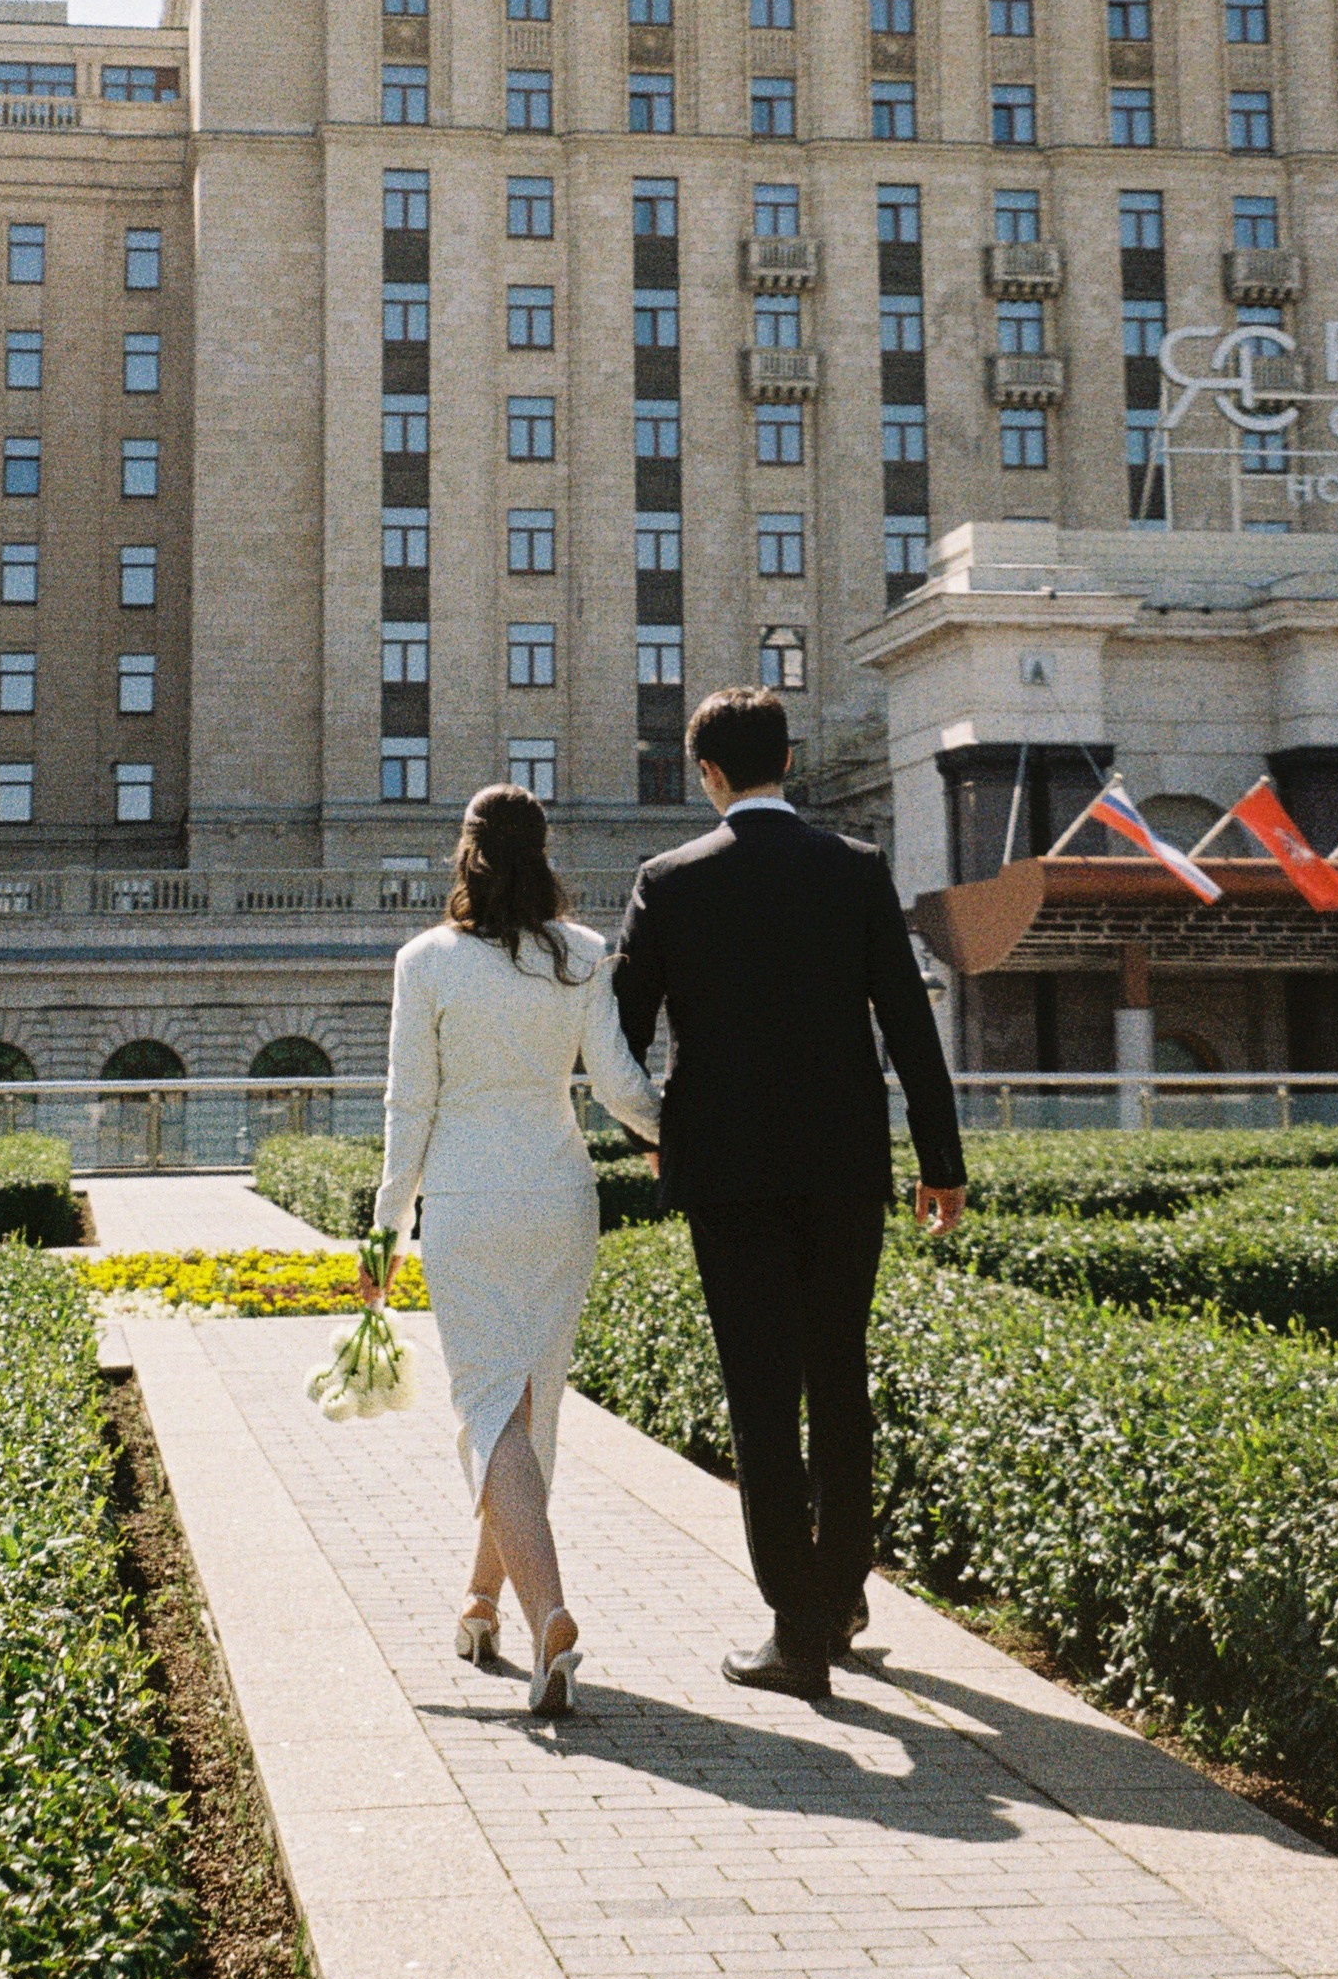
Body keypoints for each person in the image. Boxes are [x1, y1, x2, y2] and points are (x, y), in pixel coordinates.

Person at [611, 685, 967, 1701]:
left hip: (727, 1178)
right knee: (839, 1379)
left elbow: (620, 1036)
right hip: (843, 1171)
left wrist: (657, 1133)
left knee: (761, 1396)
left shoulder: (668, 881)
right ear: (789, 762)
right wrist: (940, 1163)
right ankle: (842, 1596)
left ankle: (794, 1630)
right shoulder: (852, 870)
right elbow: (907, 1022)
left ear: (708, 774)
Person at [363, 782, 663, 1716]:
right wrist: (673, 1134)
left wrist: (382, 1233)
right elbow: (618, 1085)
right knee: (528, 1412)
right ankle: (482, 1601)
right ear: (543, 853)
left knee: (493, 1414)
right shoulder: (580, 954)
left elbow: (407, 1107)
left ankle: (553, 1619)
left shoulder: (426, 961)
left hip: (464, 1201)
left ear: (466, 854)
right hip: (561, 1198)